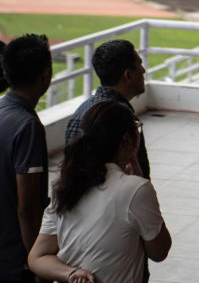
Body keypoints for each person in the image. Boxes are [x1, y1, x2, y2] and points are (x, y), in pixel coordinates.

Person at [28, 100, 171, 283]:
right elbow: (159, 252)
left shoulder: (66, 185)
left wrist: (70, 273)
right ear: (127, 139)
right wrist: (142, 180)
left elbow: (37, 258)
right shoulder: (136, 190)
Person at [0, 34, 52, 283]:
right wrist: (38, 264)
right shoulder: (27, 126)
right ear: (45, 75)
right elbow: (28, 208)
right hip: (15, 262)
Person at [65, 40, 150, 179]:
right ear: (128, 75)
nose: (144, 70)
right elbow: (136, 180)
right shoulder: (123, 119)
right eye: (140, 64)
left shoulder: (81, 110)